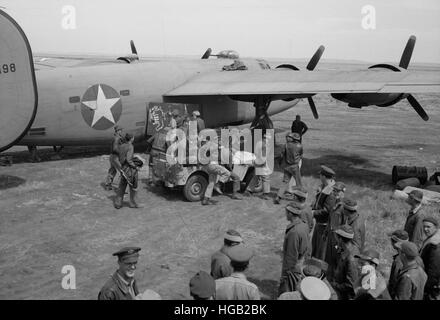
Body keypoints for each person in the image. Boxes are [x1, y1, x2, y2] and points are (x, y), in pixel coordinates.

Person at [278, 202, 310, 295]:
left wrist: (285, 274)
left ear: (290, 214)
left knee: (287, 290)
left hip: (292, 267)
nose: (285, 214)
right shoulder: (304, 225)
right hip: (300, 261)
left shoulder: (294, 232)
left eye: (286, 212)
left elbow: (291, 256)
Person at [311, 165, 336, 260]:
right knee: (315, 247)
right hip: (319, 223)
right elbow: (319, 202)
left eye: (320, 175)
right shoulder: (324, 187)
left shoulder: (332, 192)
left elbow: (327, 210)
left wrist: (313, 213)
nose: (319, 177)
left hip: (325, 226)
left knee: (322, 251)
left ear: (324, 176)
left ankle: (319, 271)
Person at [331, 225, 360, 300]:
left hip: (347, 296)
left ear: (340, 239)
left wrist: (336, 285)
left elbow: (351, 284)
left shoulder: (351, 258)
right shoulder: (348, 248)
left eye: (337, 237)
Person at [274, 132, 303, 204]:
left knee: (285, 182)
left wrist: (279, 162)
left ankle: (278, 197)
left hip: (287, 166)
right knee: (298, 183)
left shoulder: (286, 145)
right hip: (294, 166)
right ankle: (301, 197)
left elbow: (281, 155)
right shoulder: (300, 146)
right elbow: (301, 155)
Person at [114, 133, 142, 209]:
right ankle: (133, 203)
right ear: (131, 139)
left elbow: (120, 157)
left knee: (121, 187)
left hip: (123, 168)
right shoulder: (130, 146)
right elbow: (129, 160)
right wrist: (136, 167)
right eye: (133, 138)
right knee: (133, 187)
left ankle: (118, 204)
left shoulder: (121, 146)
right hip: (129, 169)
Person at [325, 181, 346, 280]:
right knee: (328, 258)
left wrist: (341, 242)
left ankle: (334, 279)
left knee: (336, 260)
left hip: (338, 238)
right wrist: (326, 231)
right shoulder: (334, 203)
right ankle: (328, 276)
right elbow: (330, 218)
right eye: (334, 190)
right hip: (330, 235)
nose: (335, 193)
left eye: (337, 191)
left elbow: (344, 225)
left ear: (343, 192)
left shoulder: (343, 207)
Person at [244, 131, 273, 200]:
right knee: (266, 178)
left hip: (258, 162)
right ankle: (266, 194)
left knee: (256, 177)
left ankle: (248, 190)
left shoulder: (260, 143)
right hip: (262, 163)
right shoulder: (264, 145)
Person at [420, 216, 440, 300]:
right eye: (424, 226)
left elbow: (434, 270)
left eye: (428, 227)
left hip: (432, 285)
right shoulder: (433, 237)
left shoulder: (434, 244)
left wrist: (427, 287)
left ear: (436, 227)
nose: (425, 229)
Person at [104, 126, 124, 190]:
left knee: (112, 170)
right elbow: (115, 149)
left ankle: (108, 185)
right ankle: (121, 188)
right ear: (118, 131)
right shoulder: (117, 138)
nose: (121, 131)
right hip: (116, 157)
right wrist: (121, 153)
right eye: (120, 130)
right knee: (122, 171)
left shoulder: (115, 137)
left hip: (112, 156)